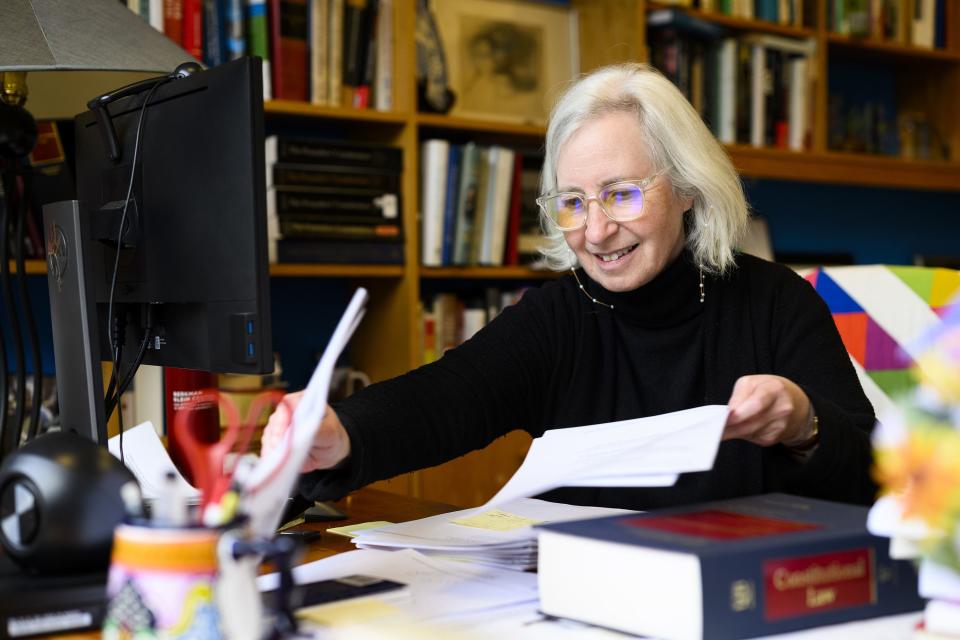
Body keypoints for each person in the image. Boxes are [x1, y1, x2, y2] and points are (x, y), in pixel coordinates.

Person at [262, 63, 877, 510]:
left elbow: (875, 478)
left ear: (687, 188)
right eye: (573, 202)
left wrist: (804, 425)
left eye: (621, 194)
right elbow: (448, 396)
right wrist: (341, 434)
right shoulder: (559, 317)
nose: (597, 229)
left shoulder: (776, 303)